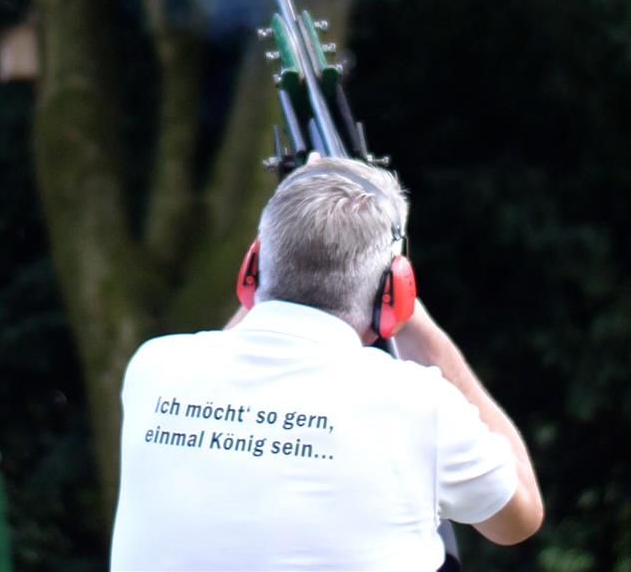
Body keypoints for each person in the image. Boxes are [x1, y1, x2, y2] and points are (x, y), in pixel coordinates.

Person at [110, 157, 543, 571]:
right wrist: (417, 325)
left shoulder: (155, 367)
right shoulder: (420, 404)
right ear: (396, 289)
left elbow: (231, 355)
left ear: (253, 265)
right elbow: (518, 520)